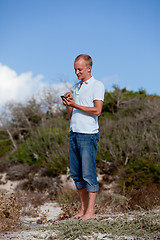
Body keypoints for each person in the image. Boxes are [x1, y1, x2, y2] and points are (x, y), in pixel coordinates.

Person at [61, 54, 105, 220]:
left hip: (88, 135)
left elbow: (97, 110)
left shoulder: (97, 85)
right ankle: (82, 210)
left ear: (89, 68)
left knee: (88, 174)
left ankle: (91, 212)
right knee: (77, 175)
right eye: (75, 69)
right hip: (74, 133)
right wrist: (69, 104)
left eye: (79, 69)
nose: (77, 72)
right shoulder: (76, 86)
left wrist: (75, 105)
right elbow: (73, 114)